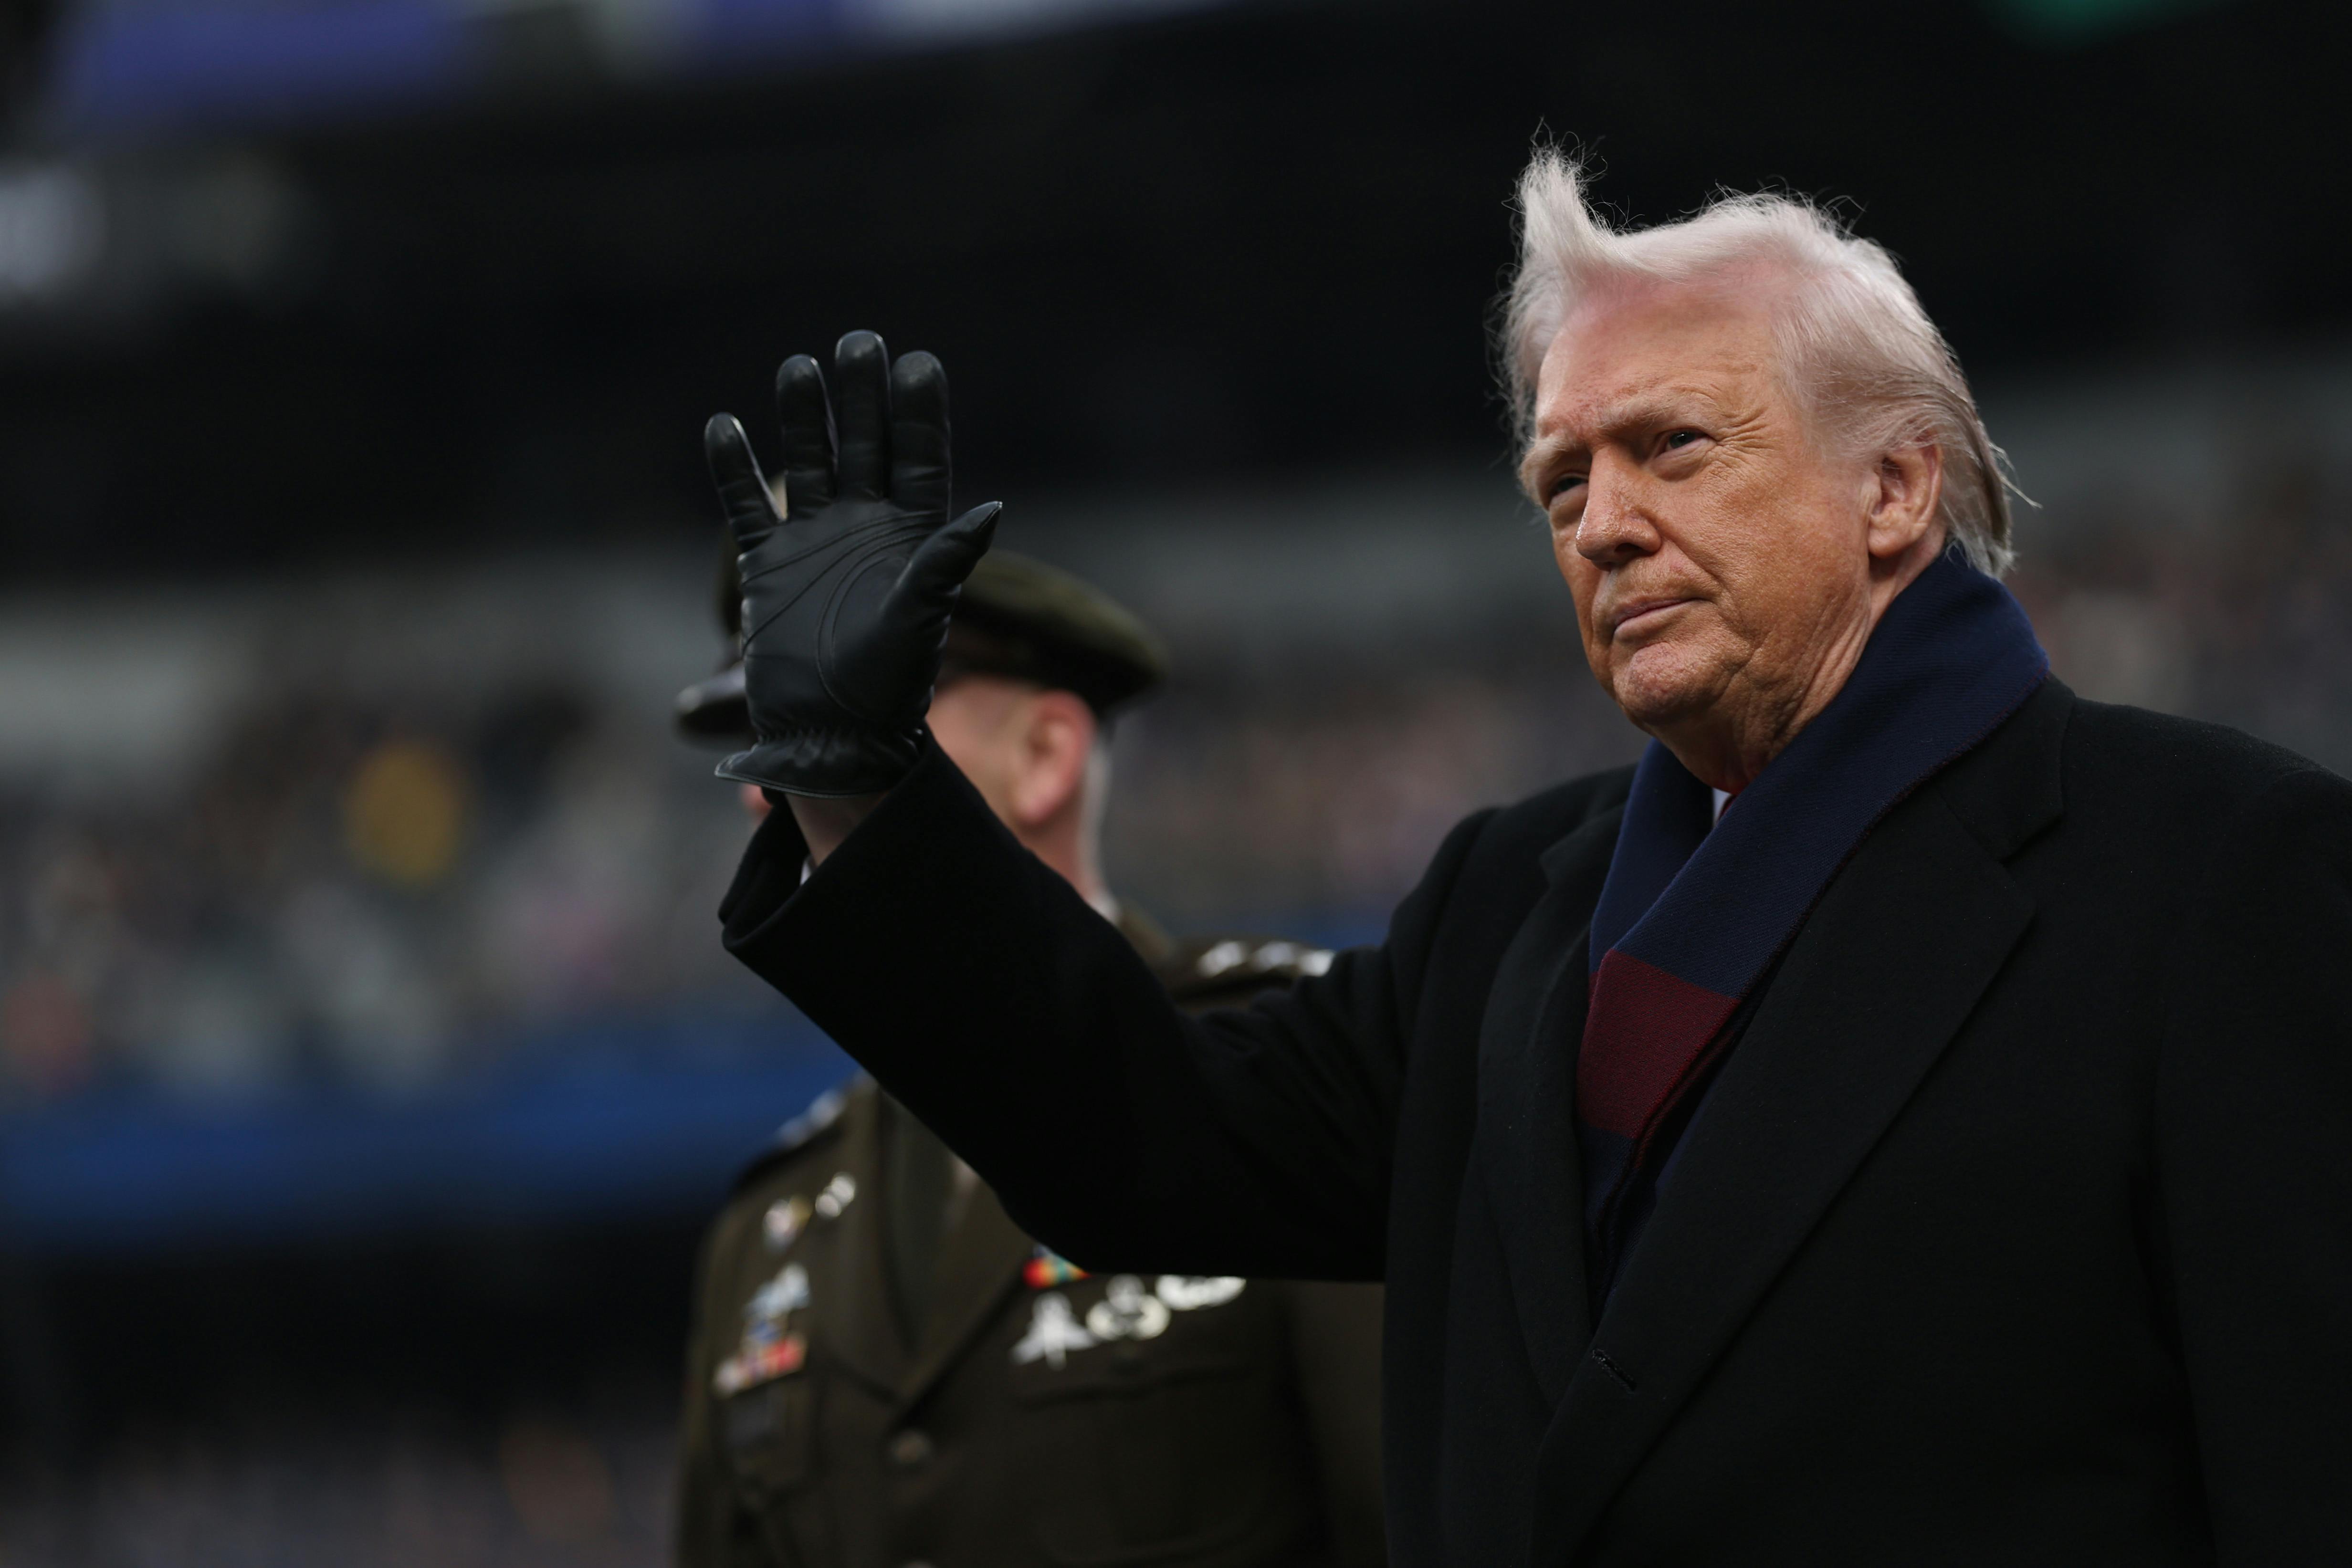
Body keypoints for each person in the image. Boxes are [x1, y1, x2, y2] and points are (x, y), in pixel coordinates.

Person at [695, 153, 2352, 1565]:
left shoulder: (2215, 876)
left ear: (1895, 488)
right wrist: (865, 783)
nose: (1601, 523)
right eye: (1561, 480)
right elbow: (1137, 1130)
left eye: (1670, 449)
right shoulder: (1507, 905)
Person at [671, 543, 1388, 1568]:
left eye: (834, 721)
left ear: (1044, 754)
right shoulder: (769, 1222)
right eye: (762, 737)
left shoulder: (1300, 1078)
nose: (763, 789)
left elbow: (1412, 1513)